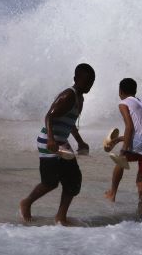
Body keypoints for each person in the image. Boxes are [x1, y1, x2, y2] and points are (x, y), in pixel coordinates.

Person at [20, 63, 94, 225]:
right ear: (76, 79)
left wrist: (80, 142)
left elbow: (70, 123)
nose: (89, 86)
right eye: (86, 82)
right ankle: (26, 203)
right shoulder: (69, 95)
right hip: (49, 140)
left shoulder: (80, 98)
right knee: (50, 182)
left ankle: (61, 217)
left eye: (91, 83)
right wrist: (51, 139)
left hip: (61, 142)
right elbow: (49, 116)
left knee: (73, 180)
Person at [103, 78, 142, 212]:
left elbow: (130, 127)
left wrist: (124, 149)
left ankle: (112, 193)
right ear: (135, 90)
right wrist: (118, 140)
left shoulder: (123, 103)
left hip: (138, 143)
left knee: (120, 161)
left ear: (120, 91)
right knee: (141, 181)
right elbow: (141, 132)